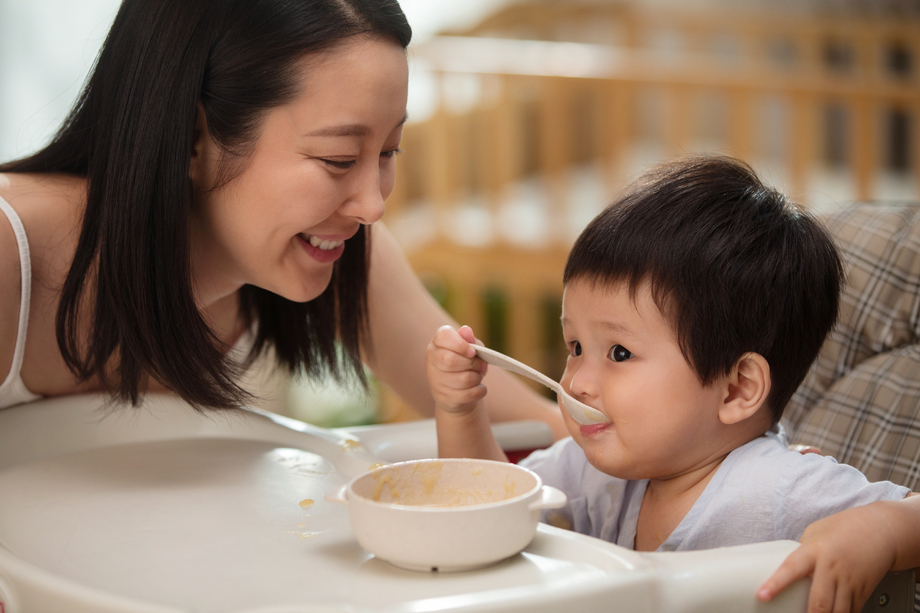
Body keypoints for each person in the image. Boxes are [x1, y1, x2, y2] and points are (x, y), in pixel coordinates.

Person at [0, 0, 566, 439]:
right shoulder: (11, 251)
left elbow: (527, 429)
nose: (373, 206)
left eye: (389, 152)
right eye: (338, 159)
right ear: (194, 138)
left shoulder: (336, 248)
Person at [427, 156, 920, 613]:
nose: (577, 382)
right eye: (575, 347)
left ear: (736, 390)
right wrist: (461, 411)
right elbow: (485, 516)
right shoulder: (592, 471)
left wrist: (882, 528)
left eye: (619, 353)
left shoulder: (779, 490)